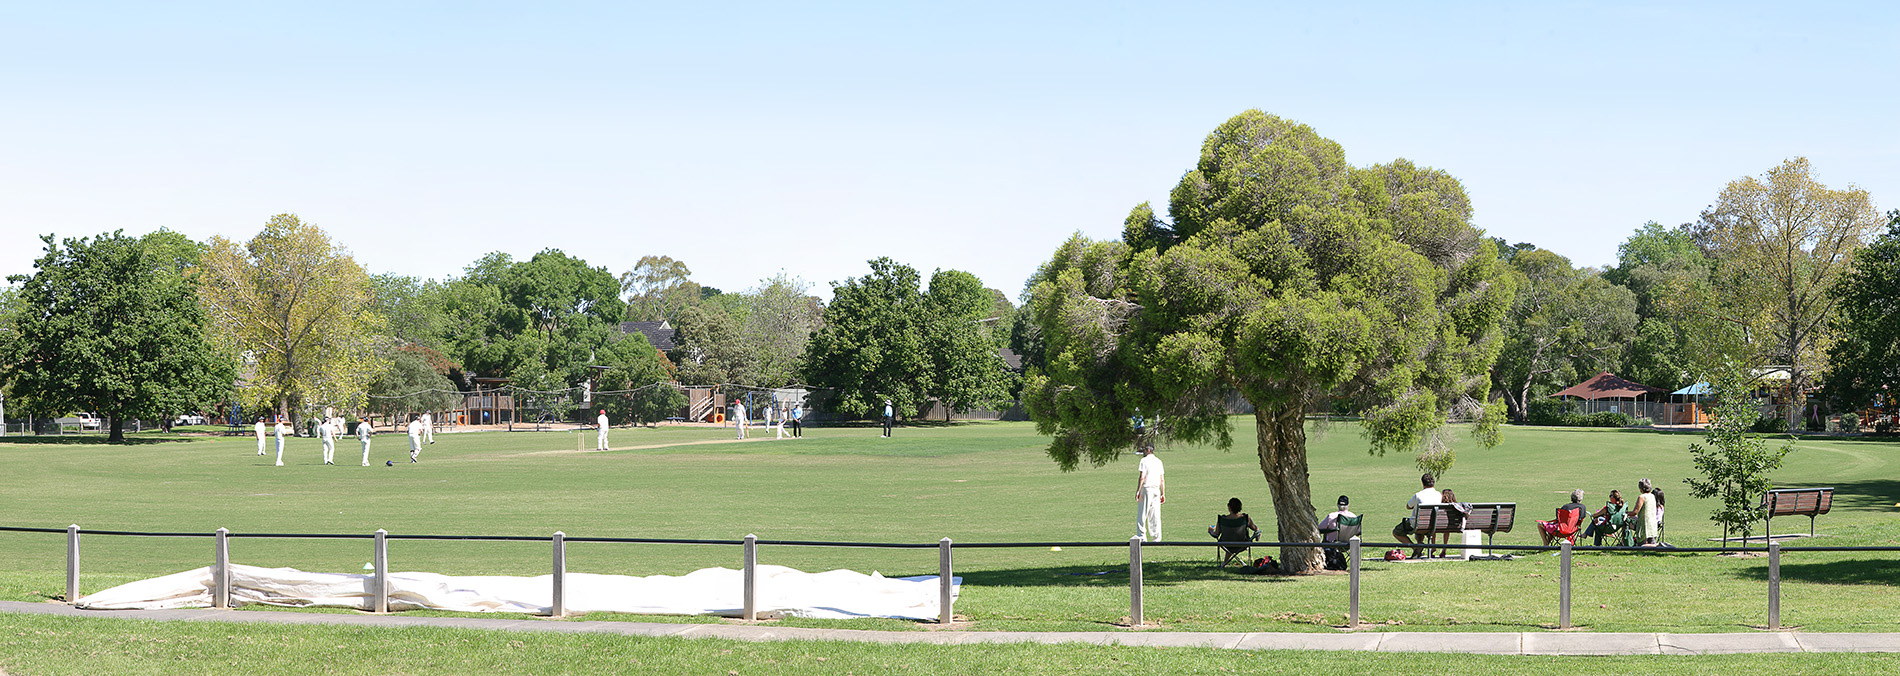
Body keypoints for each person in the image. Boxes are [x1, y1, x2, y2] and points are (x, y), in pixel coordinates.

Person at [1391, 473, 1440, 558]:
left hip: (1417, 524)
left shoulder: (1418, 495)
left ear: (1423, 483)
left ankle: (1415, 547)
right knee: (1421, 525)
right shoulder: (1439, 495)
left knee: (1396, 532)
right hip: (1432, 524)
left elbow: (1408, 506)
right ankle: (1419, 548)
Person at [1207, 497, 1260, 564]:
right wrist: (1257, 537)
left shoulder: (1222, 519)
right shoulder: (1245, 518)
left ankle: (1224, 564)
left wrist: (1210, 530)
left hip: (1226, 545)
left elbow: (1216, 534)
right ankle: (1225, 563)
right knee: (1234, 540)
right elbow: (1256, 529)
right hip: (1243, 545)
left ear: (1229, 507)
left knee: (1230, 543)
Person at [1317, 495, 1359, 570]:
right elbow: (1358, 531)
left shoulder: (1332, 516)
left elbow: (1319, 529)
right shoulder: (1354, 517)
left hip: (1333, 544)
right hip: (1349, 544)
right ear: (1348, 505)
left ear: (1337, 505)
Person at [1134, 445, 1165, 541]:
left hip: (1147, 488)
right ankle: (1156, 538)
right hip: (1156, 489)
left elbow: (1142, 476)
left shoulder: (1144, 461)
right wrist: (1163, 493)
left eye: (1144, 450)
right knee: (1155, 515)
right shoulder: (1159, 461)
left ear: (1148, 450)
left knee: (1142, 514)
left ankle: (1141, 536)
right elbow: (1162, 479)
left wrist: (1138, 491)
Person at [1632, 478, 1660, 546]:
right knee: (1651, 543)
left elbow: (1635, 512)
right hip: (1652, 524)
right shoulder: (1652, 496)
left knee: (1642, 545)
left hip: (1644, 524)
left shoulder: (1642, 497)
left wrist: (1626, 513)